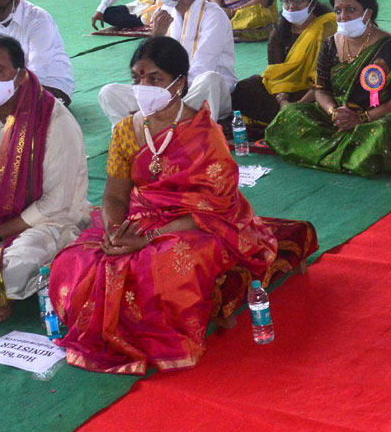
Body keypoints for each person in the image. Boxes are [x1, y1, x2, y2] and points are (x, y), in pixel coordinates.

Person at [52, 36, 314, 374]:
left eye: (154, 79)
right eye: (137, 78)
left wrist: (148, 239)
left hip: (198, 224)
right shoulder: (126, 131)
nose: (143, 86)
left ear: (180, 83)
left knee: (167, 266)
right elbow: (115, 195)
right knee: (74, 260)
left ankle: (159, 337)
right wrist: (115, 233)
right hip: (139, 218)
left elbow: (216, 207)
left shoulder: (205, 134)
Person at [0, 35, 88, 318]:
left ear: (20, 75)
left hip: (40, 223)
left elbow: (55, 204)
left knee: (21, 263)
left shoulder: (55, 120)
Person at [266, 0, 391, 176]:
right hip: (339, 117)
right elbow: (321, 88)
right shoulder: (330, 44)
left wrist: (362, 118)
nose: (343, 16)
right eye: (338, 10)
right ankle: (349, 152)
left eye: (351, 10)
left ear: (368, 13)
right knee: (290, 114)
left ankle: (337, 150)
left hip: (376, 118)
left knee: (383, 133)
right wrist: (334, 113)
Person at [99, 0, 235, 123]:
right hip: (164, 90)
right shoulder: (166, 11)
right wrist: (156, 36)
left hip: (200, 92)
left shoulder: (214, 16)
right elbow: (145, 66)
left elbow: (201, 68)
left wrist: (167, 101)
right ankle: (146, 130)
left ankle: (161, 123)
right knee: (109, 93)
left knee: (210, 80)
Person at [231, 0, 339, 125]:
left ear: (312, 3)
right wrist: (283, 102)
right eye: (287, 0)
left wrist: (299, 104)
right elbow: (276, 74)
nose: (291, 6)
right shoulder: (280, 31)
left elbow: (327, 76)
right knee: (244, 89)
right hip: (285, 90)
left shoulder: (327, 27)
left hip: (317, 91)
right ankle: (289, 118)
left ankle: (290, 119)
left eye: (299, 0)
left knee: (328, 103)